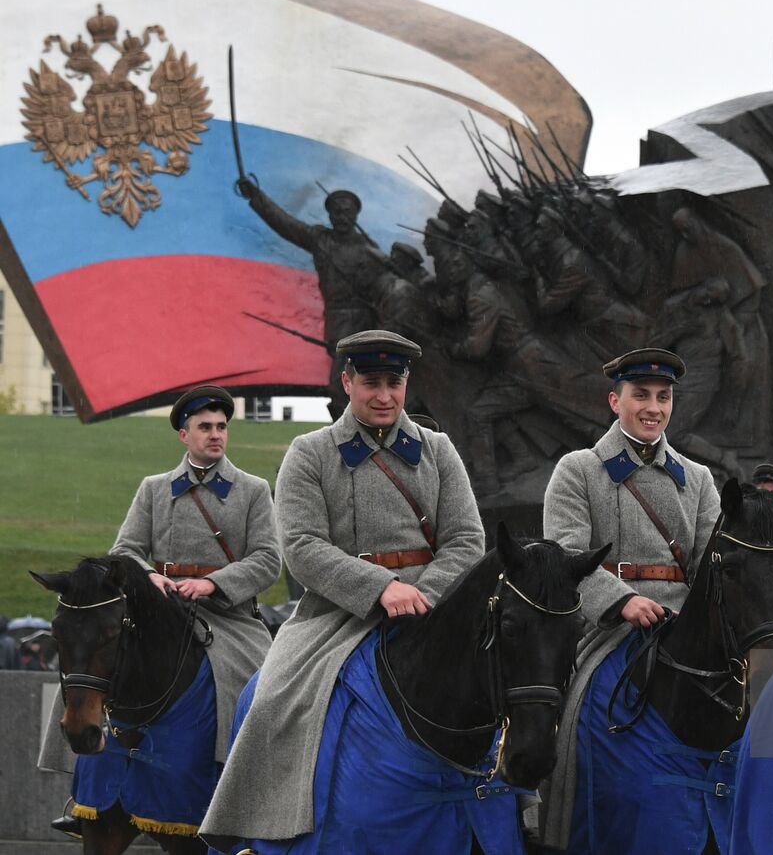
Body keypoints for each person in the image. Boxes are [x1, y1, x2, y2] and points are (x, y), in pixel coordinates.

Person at [200, 331, 485, 851]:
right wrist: (381, 589)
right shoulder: (309, 453)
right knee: (268, 701)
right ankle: (259, 831)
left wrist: (427, 597)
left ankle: (517, 820)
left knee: (516, 694)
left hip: (435, 609)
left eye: (393, 383)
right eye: (370, 382)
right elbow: (303, 548)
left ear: (406, 385)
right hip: (336, 616)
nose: (383, 396)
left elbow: (467, 539)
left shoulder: (439, 451)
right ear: (347, 382)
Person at [38, 385, 281, 836]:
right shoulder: (154, 489)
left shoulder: (252, 490)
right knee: (89, 664)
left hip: (226, 617)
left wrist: (212, 582)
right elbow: (125, 549)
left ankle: (247, 796)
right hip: (156, 609)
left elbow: (268, 559)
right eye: (204, 427)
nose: (215, 435)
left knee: (260, 683)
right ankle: (85, 798)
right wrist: (150, 577)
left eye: (221, 427)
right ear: (183, 435)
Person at [535, 348, 722, 849]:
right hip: (608, 630)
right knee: (570, 714)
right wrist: (621, 601)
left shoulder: (698, 479)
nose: (653, 407)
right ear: (615, 401)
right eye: (641, 396)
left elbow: (709, 567)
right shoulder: (578, 470)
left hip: (684, 626)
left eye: (663, 397)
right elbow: (566, 554)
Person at [235, 181, 385, 418]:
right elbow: (286, 225)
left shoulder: (369, 249)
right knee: (345, 385)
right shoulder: (320, 239)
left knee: (341, 386)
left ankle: (350, 434)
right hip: (336, 322)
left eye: (348, 212)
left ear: (356, 215)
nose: (342, 217)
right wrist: (256, 196)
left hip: (362, 324)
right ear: (330, 215)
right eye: (337, 212)